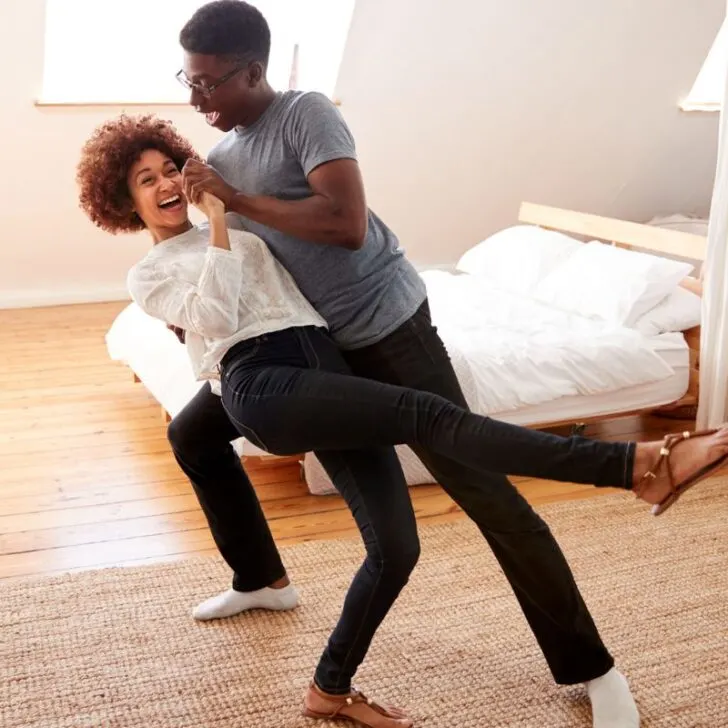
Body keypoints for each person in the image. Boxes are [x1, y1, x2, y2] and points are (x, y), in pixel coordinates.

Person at [76, 113, 727, 728]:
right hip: (265, 383)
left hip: (319, 367)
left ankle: (327, 684)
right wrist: (219, 219)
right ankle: (637, 464)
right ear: (123, 202)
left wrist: (234, 220)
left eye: (169, 168)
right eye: (145, 179)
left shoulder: (249, 221)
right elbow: (215, 317)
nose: (165, 184)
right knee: (427, 412)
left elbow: (323, 253)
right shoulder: (151, 273)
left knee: (396, 546)